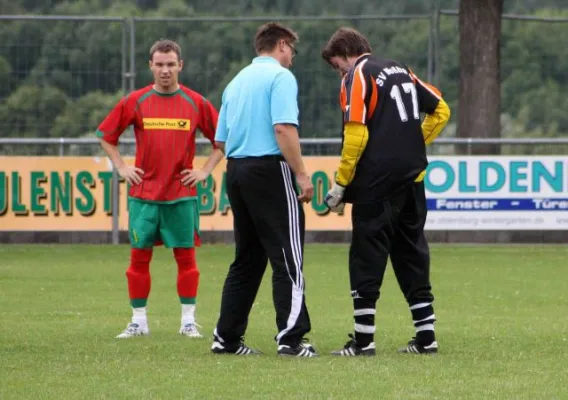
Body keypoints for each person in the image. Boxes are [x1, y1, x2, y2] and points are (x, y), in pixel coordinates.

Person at [321, 27, 451, 356]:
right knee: (412, 254)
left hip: (376, 184)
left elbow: (356, 135)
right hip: (413, 179)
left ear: (348, 54)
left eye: (337, 66)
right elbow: (441, 111)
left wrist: (341, 183)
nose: (339, 74)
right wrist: (409, 144)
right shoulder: (401, 69)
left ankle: (363, 342)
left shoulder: (358, 74)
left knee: (367, 256)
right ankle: (427, 338)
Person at [96, 39, 223, 339]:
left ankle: (188, 322)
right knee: (138, 260)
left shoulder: (196, 102)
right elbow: (105, 135)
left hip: (181, 196)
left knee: (186, 260)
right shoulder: (135, 101)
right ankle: (138, 321)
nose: (165, 70)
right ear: (150, 66)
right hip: (144, 196)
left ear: (180, 66)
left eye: (170, 64)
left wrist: (204, 170)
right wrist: (122, 167)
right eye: (159, 64)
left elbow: (222, 141)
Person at [204, 22, 316, 357]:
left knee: (248, 259)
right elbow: (282, 128)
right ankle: (291, 339)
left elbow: (220, 140)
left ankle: (226, 338)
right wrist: (302, 174)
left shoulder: (235, 82)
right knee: (288, 256)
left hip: (236, 170)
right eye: (292, 52)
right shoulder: (280, 78)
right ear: (282, 45)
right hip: (269, 169)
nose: (292, 60)